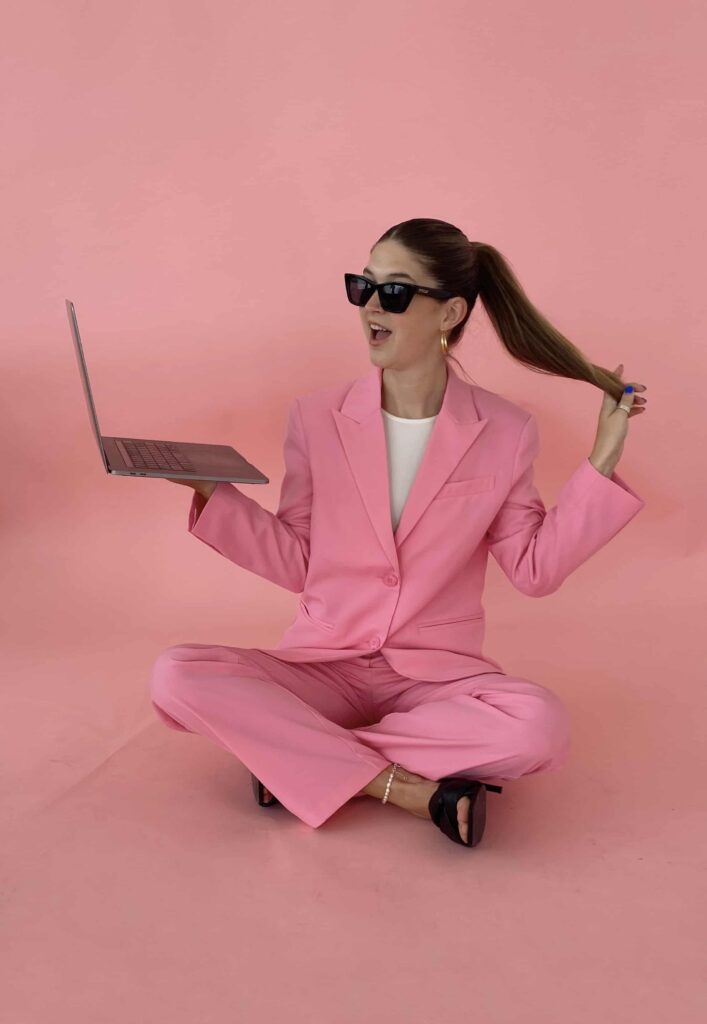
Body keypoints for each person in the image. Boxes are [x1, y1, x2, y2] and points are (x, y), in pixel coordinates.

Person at [151, 217, 647, 848]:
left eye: (394, 291)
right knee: (176, 675)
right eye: (364, 286)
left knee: (538, 727)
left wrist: (602, 457)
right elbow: (302, 562)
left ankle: (291, 757)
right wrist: (207, 492)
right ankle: (406, 788)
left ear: (450, 313)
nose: (369, 307)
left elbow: (534, 569)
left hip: (434, 679)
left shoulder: (505, 429)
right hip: (323, 663)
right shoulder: (315, 417)